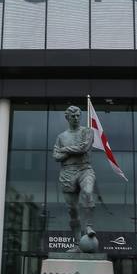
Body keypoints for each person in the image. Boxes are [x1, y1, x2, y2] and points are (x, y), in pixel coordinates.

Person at [53, 105, 97, 249]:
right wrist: (71, 152)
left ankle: (89, 226)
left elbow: (84, 148)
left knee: (88, 192)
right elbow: (56, 156)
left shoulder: (87, 131)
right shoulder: (61, 137)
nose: (76, 118)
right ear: (67, 118)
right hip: (67, 172)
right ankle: (78, 244)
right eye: (73, 116)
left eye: (78, 115)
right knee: (72, 210)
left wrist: (65, 150)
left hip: (85, 169)